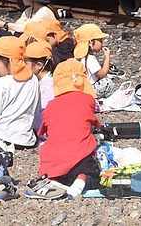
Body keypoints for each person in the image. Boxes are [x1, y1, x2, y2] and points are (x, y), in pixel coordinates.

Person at [36, 59, 101, 198]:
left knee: (54, 170)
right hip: (80, 159)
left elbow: (43, 131)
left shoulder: (50, 106)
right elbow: (94, 124)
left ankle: (53, 181)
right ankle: (82, 180)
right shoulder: (87, 100)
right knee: (93, 175)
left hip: (52, 162)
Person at [73, 23, 113, 97]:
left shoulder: (77, 57)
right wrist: (107, 57)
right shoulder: (90, 59)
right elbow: (103, 75)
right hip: (89, 90)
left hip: (80, 88)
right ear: (91, 42)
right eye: (100, 41)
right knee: (108, 82)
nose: (102, 43)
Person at [24, 39, 54, 132]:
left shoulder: (46, 88)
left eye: (26, 63)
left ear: (39, 65)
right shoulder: (49, 82)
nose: (23, 66)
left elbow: (44, 117)